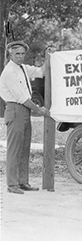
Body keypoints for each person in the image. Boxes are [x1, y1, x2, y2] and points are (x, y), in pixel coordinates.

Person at [0, 41, 50, 194]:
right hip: (15, 110)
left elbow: (41, 71)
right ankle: (12, 184)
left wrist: (49, 56)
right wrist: (39, 110)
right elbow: (22, 98)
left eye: (22, 54)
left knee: (24, 148)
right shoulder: (9, 72)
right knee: (14, 149)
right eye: (17, 54)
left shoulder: (22, 68)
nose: (20, 57)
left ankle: (23, 181)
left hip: (25, 111)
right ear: (10, 54)